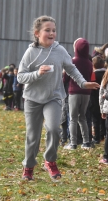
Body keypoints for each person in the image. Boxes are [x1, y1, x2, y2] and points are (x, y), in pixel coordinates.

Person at [17, 15, 100, 181]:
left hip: (53, 98)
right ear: (37, 33)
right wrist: (37, 73)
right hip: (33, 99)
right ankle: (29, 166)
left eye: (54, 30)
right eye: (47, 30)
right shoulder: (30, 52)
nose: (51, 33)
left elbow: (72, 69)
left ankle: (50, 161)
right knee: (33, 136)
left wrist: (83, 83)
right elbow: (20, 77)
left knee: (54, 129)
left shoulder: (60, 51)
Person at [63, 38, 93, 150]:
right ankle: (86, 142)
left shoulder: (73, 61)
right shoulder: (90, 63)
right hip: (86, 92)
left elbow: (66, 77)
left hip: (74, 92)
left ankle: (73, 143)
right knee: (83, 117)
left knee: (73, 118)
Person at [90, 56, 106, 144]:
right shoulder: (106, 74)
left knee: (95, 119)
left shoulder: (93, 75)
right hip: (105, 98)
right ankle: (103, 134)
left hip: (95, 99)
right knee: (103, 118)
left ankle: (96, 137)